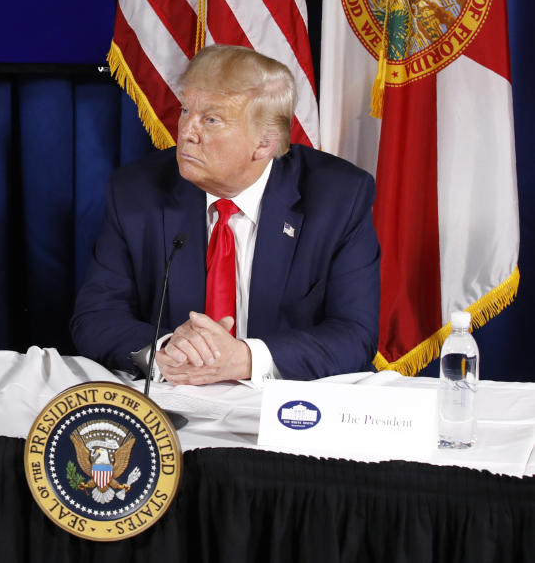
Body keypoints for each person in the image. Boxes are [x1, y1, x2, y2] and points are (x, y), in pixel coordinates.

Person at [72, 45, 379, 384]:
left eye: (211, 120)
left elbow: (355, 335)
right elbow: (96, 316)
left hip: (284, 408)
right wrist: (167, 348)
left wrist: (245, 359)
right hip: (176, 401)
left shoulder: (338, 197)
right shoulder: (136, 190)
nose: (187, 131)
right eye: (186, 110)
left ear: (264, 143)